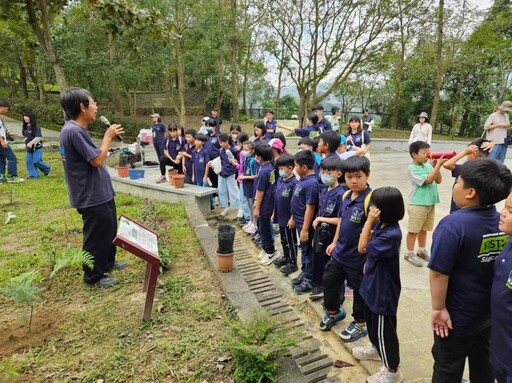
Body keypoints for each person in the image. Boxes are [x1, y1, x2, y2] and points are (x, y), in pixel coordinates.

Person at [428, 158, 512, 383]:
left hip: (455, 317)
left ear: (470, 192)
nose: (454, 185)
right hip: (488, 315)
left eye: (458, 181)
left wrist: (438, 308)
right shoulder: (502, 223)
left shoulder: (453, 225)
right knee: (483, 365)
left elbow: (438, 272)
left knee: (448, 367)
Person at [59, 88, 127, 287]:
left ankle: (107, 262)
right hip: (90, 194)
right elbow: (97, 159)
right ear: (82, 106)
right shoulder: (73, 131)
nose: (96, 107)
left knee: (108, 228)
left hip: (99, 192)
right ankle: (93, 277)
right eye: (93, 102)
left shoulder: (75, 130)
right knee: (96, 235)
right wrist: (107, 137)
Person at [353, 187, 405, 383]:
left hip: (383, 290)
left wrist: (368, 222)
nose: (371, 208)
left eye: (375, 205)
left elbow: (362, 247)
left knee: (385, 331)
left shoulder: (391, 234)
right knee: (372, 323)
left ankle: (392, 370)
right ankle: (375, 348)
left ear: (385, 210)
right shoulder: (383, 226)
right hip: (372, 284)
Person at [321, 156, 372, 343]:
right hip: (340, 253)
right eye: (350, 177)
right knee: (329, 281)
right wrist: (334, 243)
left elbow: (375, 231)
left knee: (360, 291)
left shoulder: (371, 200)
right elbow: (342, 221)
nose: (354, 181)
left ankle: (360, 323)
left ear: (367, 175)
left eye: (358, 176)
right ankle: (334, 311)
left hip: (358, 259)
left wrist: (370, 259)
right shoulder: (345, 195)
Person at [404, 141, 445, 267]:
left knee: (424, 229)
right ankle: (409, 253)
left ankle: (421, 250)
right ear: (414, 155)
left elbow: (438, 180)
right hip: (418, 204)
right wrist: (437, 166)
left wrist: (435, 167)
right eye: (424, 153)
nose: (428, 155)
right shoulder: (412, 169)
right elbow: (428, 180)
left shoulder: (428, 165)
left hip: (430, 203)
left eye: (428, 152)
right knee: (413, 230)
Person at [309, 156, 345, 301]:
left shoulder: (341, 194)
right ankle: (323, 289)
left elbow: (341, 220)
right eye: (323, 172)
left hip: (333, 236)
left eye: (329, 173)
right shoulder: (323, 191)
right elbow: (320, 213)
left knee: (334, 269)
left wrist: (320, 219)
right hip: (321, 235)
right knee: (320, 263)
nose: (325, 175)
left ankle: (337, 298)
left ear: (339, 174)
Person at [290, 150, 320, 294]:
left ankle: (309, 278)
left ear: (304, 167)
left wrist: (306, 229)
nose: (295, 168)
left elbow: (310, 207)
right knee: (304, 250)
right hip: (299, 222)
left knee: (308, 252)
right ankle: (304, 272)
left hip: (305, 225)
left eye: (296, 165)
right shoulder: (303, 180)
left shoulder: (312, 184)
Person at [491, 191, 512, 383]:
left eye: (510, 210)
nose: (502, 213)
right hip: (499, 345)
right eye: (505, 206)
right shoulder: (508, 243)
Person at [442, 138, 494, 213]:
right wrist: (493, 145)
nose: (466, 155)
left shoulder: (466, 170)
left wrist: (464, 152)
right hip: (476, 213)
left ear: (473, 155)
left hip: (459, 212)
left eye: (468, 153)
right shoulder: (488, 171)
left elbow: (447, 164)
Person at [272, 154, 299, 276]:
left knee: (291, 240)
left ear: (290, 168)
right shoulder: (280, 180)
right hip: (280, 215)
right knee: (283, 239)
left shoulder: (294, 183)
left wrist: (293, 218)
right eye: (279, 169)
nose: (280, 171)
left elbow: (296, 203)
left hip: (289, 218)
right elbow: (277, 198)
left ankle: (293, 262)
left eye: (282, 168)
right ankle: (286, 257)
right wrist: (274, 213)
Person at [253, 143, 279, 265]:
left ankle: (270, 251)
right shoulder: (269, 167)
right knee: (261, 226)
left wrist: (257, 207)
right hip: (266, 202)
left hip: (265, 204)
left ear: (259, 156)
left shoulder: (264, 171)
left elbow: (260, 191)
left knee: (264, 229)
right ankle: (265, 247)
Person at [21, 111, 51, 179]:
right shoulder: (25, 127)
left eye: (27, 116)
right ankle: (33, 175)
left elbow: (38, 137)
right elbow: (25, 136)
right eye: (24, 116)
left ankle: (47, 169)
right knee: (29, 162)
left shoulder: (36, 127)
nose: (25, 118)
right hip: (29, 148)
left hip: (37, 148)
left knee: (36, 161)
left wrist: (31, 143)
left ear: (31, 117)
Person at [217, 133, 240, 215]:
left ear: (226, 141)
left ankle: (235, 207)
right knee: (221, 190)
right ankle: (223, 206)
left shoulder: (233, 150)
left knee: (233, 191)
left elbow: (235, 162)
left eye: (222, 142)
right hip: (222, 172)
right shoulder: (220, 150)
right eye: (219, 143)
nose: (220, 144)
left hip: (230, 173)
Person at [0, 100, 22, 182]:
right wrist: (2, 141)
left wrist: (9, 135)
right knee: (12, 158)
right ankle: (12, 176)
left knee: (1, 159)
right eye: (6, 109)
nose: (7, 111)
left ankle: (1, 178)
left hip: (2, 139)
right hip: (1, 142)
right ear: (1, 107)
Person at [240, 140, 258, 234]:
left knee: (252, 206)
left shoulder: (253, 161)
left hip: (251, 186)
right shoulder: (246, 160)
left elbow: (255, 175)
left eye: (246, 149)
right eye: (244, 149)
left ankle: (255, 223)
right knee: (248, 204)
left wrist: (245, 177)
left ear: (252, 150)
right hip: (246, 185)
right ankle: (251, 221)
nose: (244, 151)